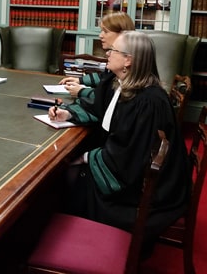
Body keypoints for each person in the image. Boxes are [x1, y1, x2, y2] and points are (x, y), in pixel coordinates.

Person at [49, 31, 191, 250]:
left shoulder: (148, 101)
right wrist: (67, 114)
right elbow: (100, 109)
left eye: (113, 50)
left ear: (129, 60)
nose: (107, 53)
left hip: (142, 192)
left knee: (75, 177)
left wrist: (87, 158)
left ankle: (71, 244)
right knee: (70, 171)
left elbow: (128, 156)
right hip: (131, 169)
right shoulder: (122, 86)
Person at [58, 11, 135, 124]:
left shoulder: (125, 67)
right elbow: (105, 78)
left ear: (122, 34)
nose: (100, 35)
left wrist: (81, 91)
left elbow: (106, 100)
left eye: (105, 31)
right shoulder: (117, 62)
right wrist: (80, 80)